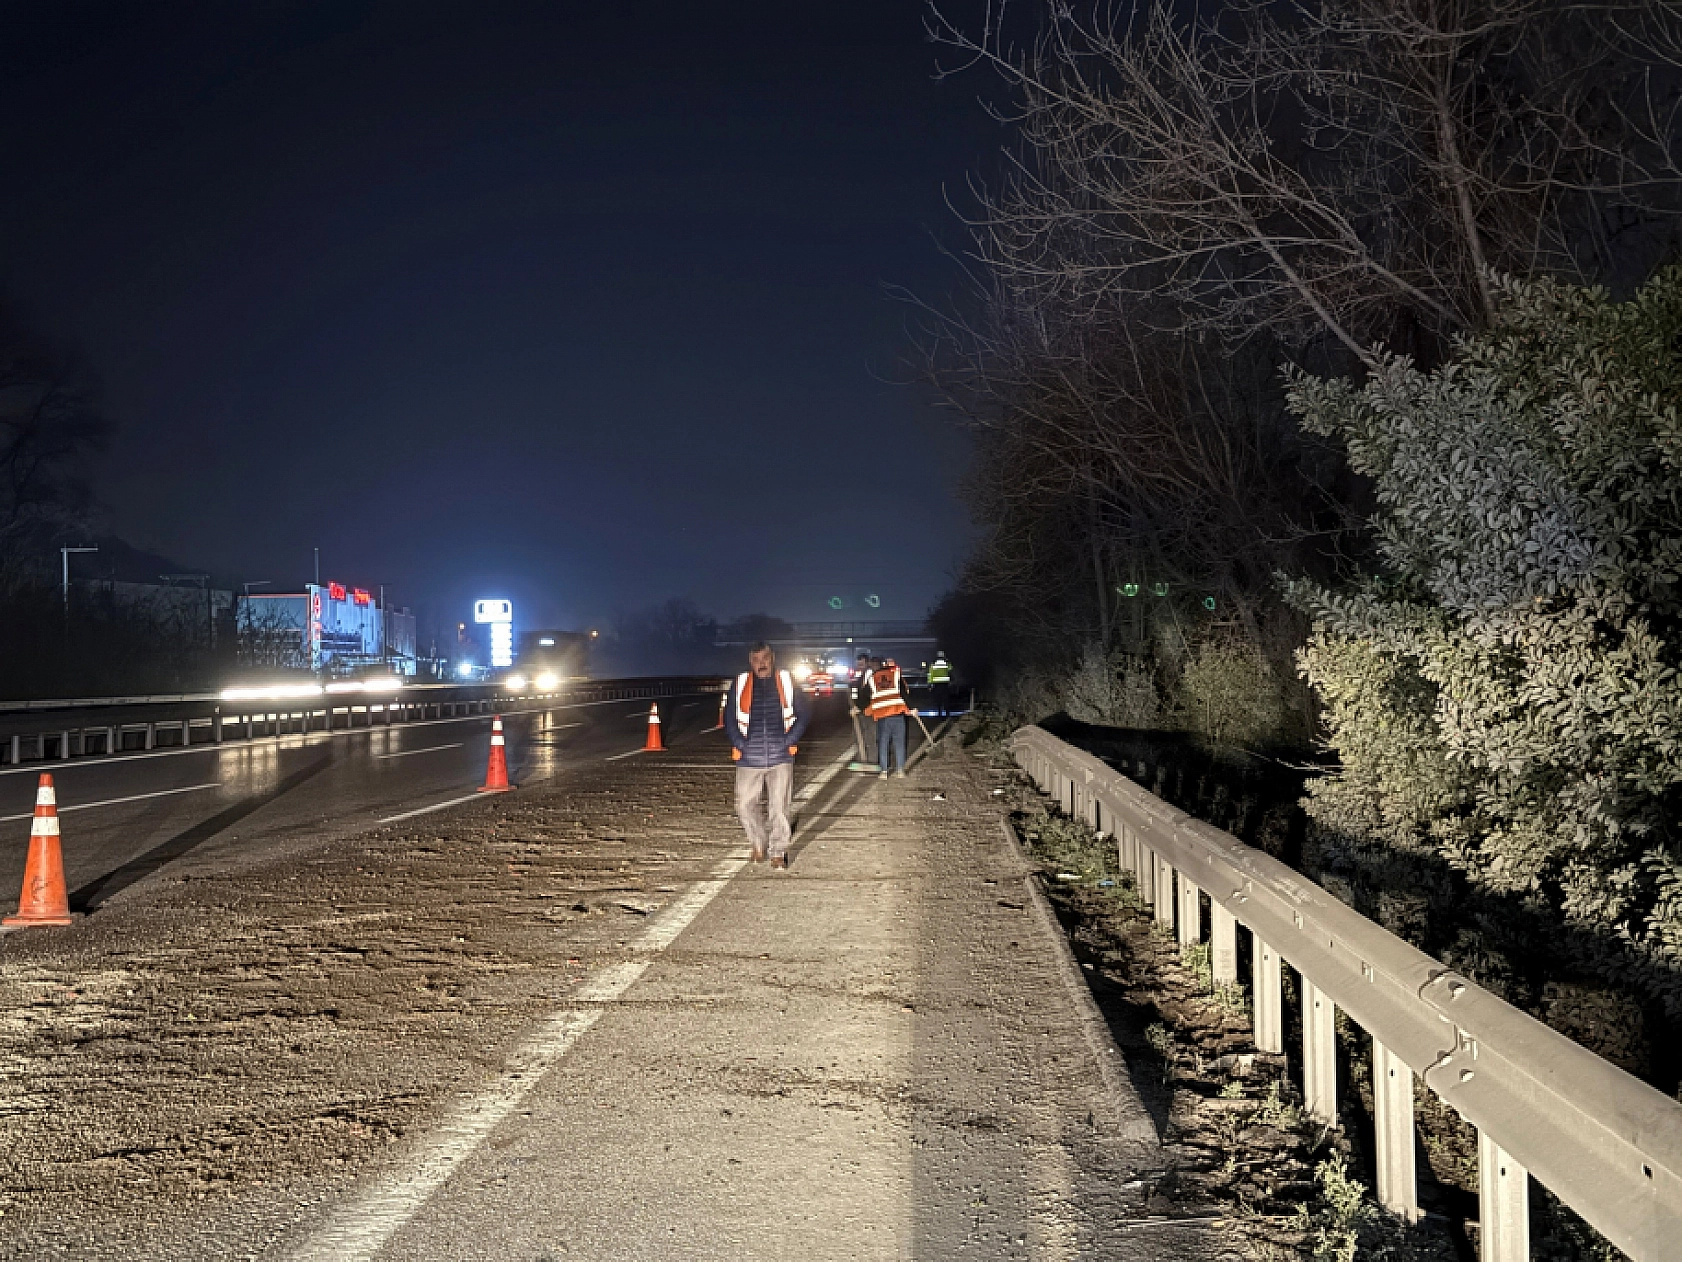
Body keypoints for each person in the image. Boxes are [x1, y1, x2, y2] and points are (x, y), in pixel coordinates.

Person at [727, 641, 811, 869]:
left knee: (779, 808)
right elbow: (729, 717)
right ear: (750, 661)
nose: (760, 664)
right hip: (748, 757)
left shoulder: (786, 680)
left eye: (764, 658)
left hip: (780, 756)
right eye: (755, 660)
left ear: (772, 658)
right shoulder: (740, 683)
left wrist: (789, 739)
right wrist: (739, 742)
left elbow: (804, 713)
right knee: (744, 805)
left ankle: (778, 851)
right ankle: (758, 843)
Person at [862, 656, 910, 779]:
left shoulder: (872, 679)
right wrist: (910, 710)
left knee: (883, 743)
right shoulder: (895, 675)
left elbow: (867, 697)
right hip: (897, 714)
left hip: (883, 717)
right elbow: (905, 693)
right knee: (899, 743)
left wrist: (864, 710)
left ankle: (884, 771)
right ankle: (900, 771)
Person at [929, 650, 953, 718]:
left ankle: (939, 713)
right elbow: (951, 668)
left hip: (936, 684)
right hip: (945, 684)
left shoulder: (933, 663)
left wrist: (930, 684)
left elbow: (930, 674)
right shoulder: (946, 663)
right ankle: (947, 714)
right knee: (946, 699)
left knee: (938, 699)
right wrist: (948, 660)